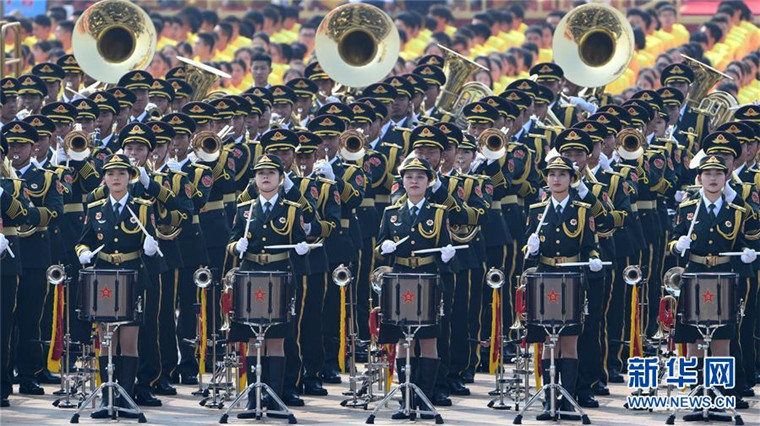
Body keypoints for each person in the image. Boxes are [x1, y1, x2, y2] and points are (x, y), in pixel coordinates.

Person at [75, 153, 161, 418]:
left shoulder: (143, 207)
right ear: (104, 178)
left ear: (129, 177)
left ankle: (125, 396)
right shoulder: (95, 208)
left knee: (128, 340)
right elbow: (84, 240)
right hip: (104, 277)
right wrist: (83, 252)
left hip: (132, 275)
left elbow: (152, 241)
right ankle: (107, 397)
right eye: (111, 174)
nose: (116, 178)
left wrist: (151, 247)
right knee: (106, 339)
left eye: (121, 173)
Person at [227, 154, 310, 419]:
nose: (265, 177)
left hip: (279, 276)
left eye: (271, 173)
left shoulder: (291, 209)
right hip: (251, 275)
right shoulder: (245, 209)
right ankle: (253, 398)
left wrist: (302, 247)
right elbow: (231, 243)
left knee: (275, 340)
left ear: (281, 178)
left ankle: (273, 399)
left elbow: (300, 242)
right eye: (261, 173)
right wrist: (236, 246)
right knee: (253, 340)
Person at [375, 156, 456, 420]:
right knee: (403, 341)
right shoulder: (391, 213)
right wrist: (384, 248)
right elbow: (379, 249)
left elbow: (445, 247)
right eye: (409, 177)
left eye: (420, 177)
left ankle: (425, 399)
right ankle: (407, 400)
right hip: (400, 278)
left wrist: (447, 254)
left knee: (428, 340)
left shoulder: (438, 213)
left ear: (428, 181)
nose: (414, 181)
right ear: (402, 181)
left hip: (427, 277)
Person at [524, 155, 602, 421]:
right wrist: (532, 249)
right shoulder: (537, 210)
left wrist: (593, 258)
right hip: (545, 278)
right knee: (549, 341)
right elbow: (527, 251)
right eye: (552, 174)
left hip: (571, 278)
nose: (556, 179)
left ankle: (567, 399)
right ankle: (549, 400)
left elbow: (590, 245)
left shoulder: (582, 210)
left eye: (562, 174)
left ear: (571, 178)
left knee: (569, 341)